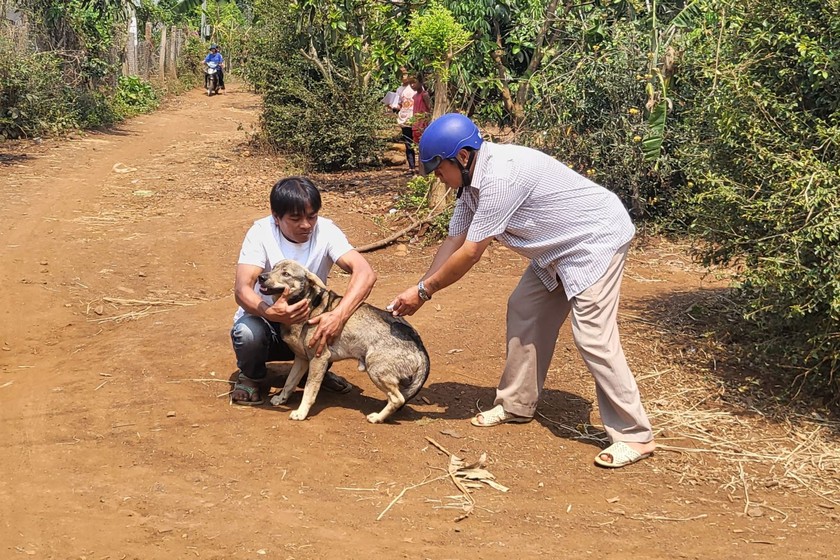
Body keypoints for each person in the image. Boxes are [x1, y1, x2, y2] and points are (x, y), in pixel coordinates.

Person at [388, 113, 656, 468]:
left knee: (593, 336)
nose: (439, 178)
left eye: (440, 170)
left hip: (595, 240)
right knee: (524, 308)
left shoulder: (501, 177)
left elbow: (470, 252)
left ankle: (635, 436)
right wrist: (418, 286)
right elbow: (454, 239)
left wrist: (424, 293)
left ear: (463, 157)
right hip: (554, 249)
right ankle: (516, 404)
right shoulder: (469, 185)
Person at [230, 177, 377, 405]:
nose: (306, 225)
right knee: (248, 333)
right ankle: (251, 377)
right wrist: (270, 313)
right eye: (296, 218)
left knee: (336, 317)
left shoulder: (326, 231)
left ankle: (315, 371)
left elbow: (365, 273)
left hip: (308, 325)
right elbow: (241, 289)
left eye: (312, 216)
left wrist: (338, 316)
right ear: (276, 217)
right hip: (268, 324)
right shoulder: (260, 232)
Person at [390, 67, 417, 174]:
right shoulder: (399, 90)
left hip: (416, 120)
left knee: (420, 143)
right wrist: (392, 106)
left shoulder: (416, 87)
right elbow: (398, 105)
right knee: (408, 144)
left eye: (405, 74)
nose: (403, 77)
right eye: (401, 75)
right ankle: (412, 167)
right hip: (405, 120)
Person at [409, 74, 432, 146]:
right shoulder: (414, 96)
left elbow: (430, 108)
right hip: (415, 126)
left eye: (414, 82)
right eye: (410, 83)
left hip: (423, 125)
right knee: (417, 146)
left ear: (420, 82)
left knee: (424, 145)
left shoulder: (424, 94)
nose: (412, 85)